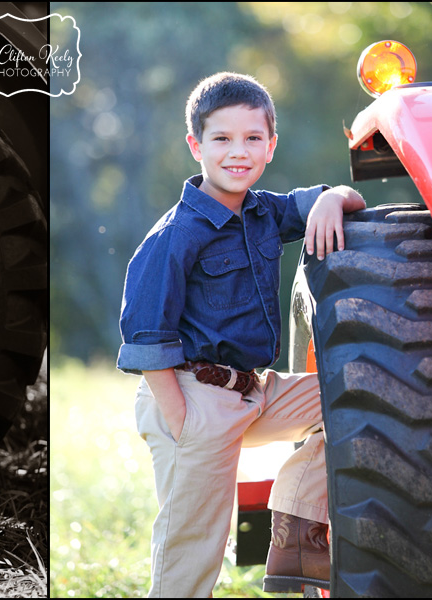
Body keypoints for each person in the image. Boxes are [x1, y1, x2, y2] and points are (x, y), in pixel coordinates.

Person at [117, 72, 366, 597]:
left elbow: (342, 196)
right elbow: (146, 337)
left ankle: (295, 529)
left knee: (354, 394)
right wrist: (185, 422)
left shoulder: (262, 212)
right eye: (222, 139)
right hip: (191, 395)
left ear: (271, 146)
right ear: (196, 146)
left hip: (251, 389)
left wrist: (330, 198)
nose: (239, 152)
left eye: (253, 138)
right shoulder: (175, 235)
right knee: (195, 543)